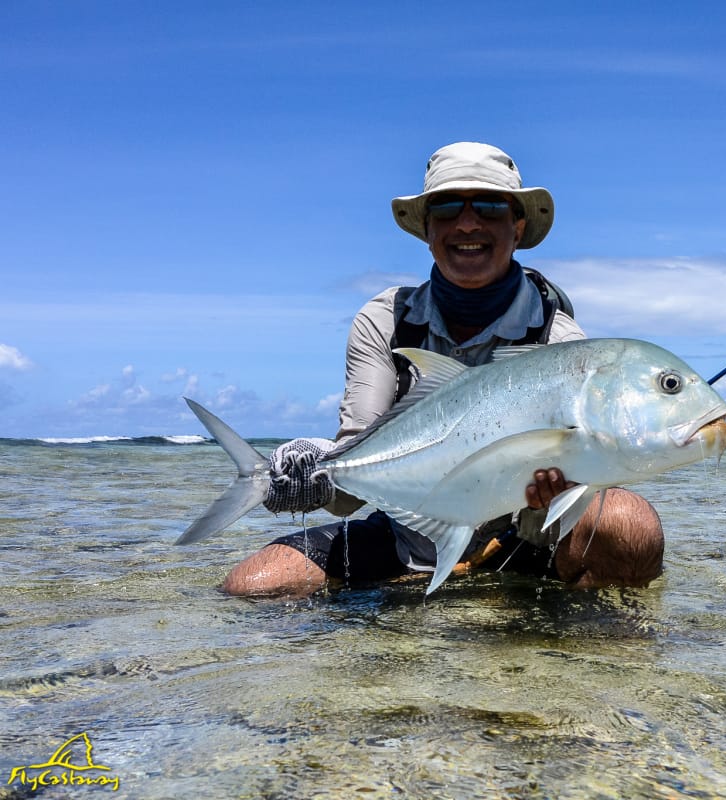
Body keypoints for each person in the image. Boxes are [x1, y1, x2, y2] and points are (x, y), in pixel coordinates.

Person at [222, 142, 664, 597]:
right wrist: (316, 475)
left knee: (630, 527)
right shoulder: (385, 320)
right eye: (448, 206)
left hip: (523, 544)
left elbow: (581, 474)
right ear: (427, 229)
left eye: (490, 206)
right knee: (252, 585)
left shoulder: (561, 341)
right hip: (409, 537)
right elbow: (352, 483)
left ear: (518, 225)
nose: (467, 223)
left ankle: (591, 654)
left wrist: (561, 492)